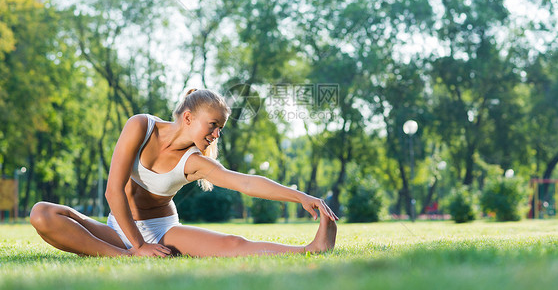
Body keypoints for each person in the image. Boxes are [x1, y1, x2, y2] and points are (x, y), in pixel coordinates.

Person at [30, 89, 338, 257]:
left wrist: (302, 197)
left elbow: (243, 182)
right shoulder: (140, 125)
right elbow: (114, 191)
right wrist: (137, 247)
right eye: (213, 125)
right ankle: (126, 257)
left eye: (220, 128)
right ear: (188, 117)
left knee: (232, 244)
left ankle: (311, 248)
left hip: (162, 230)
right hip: (118, 229)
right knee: (42, 213)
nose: (216, 134)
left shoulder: (195, 161)